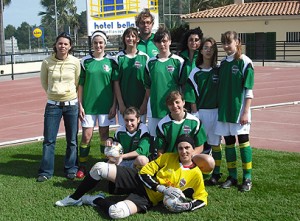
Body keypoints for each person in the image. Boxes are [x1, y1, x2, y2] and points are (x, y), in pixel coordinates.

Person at [55, 134, 208, 219]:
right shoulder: (168, 157)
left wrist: (187, 206)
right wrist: (161, 188)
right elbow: (144, 173)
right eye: (180, 148)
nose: (183, 151)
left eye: (187, 148)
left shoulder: (196, 174)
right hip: (137, 179)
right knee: (99, 167)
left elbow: (202, 199)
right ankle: (74, 198)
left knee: (116, 212)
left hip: (148, 198)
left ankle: (96, 199)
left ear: (193, 149)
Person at [37, 32, 81, 182]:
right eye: (60, 43)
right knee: (49, 140)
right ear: (55, 45)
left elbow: (77, 82)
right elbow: (44, 82)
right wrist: (54, 93)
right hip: (52, 106)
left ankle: (71, 168)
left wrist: (68, 94)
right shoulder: (47, 62)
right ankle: (46, 171)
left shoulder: (75, 62)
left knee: (72, 140)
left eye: (65, 44)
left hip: (71, 105)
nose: (62, 46)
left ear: (70, 46)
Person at [216, 31, 254, 192]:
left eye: (228, 42)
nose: (226, 46)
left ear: (237, 42)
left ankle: (247, 178)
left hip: (239, 111)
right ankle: (232, 176)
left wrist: (245, 112)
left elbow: (249, 90)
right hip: (224, 111)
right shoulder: (223, 64)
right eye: (223, 43)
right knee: (229, 144)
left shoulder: (245, 62)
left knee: (243, 142)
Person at [76, 30, 117, 179]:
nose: (98, 45)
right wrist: (79, 104)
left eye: (101, 42)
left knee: (104, 135)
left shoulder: (112, 61)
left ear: (105, 44)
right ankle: (82, 166)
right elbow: (80, 85)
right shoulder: (85, 61)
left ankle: (102, 165)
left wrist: (114, 105)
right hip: (88, 106)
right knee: (86, 136)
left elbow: (114, 85)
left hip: (106, 106)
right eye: (95, 43)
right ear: (92, 44)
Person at [184, 37, 223, 184]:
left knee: (216, 144)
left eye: (211, 48)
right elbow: (190, 92)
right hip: (201, 112)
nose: (208, 50)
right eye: (206, 47)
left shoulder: (219, 70)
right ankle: (195, 170)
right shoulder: (196, 71)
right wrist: (195, 112)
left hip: (216, 112)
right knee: (198, 144)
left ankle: (216, 172)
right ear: (201, 50)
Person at [156, 90, 215, 177]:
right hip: (172, 159)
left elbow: (200, 146)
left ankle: (196, 174)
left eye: (177, 102)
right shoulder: (162, 124)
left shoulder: (195, 122)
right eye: (171, 104)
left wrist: (188, 157)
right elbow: (160, 151)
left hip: (190, 157)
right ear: (167, 106)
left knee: (208, 161)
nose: (175, 106)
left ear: (183, 102)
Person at [145, 25, 184, 136]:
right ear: (155, 43)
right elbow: (148, 86)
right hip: (155, 108)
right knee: (155, 138)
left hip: (174, 108)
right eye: (159, 42)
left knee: (173, 138)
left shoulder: (179, 61)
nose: (162, 44)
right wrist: (152, 102)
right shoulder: (150, 63)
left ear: (170, 41)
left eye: (164, 41)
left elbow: (182, 85)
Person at [113, 27, 149, 125]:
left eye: (133, 36)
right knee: (125, 131)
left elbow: (148, 84)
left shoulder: (145, 57)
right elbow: (116, 82)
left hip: (140, 103)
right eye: (128, 36)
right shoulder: (118, 57)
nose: (130, 38)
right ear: (124, 38)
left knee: (141, 131)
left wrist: (144, 104)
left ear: (137, 39)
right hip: (125, 103)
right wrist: (120, 104)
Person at [179, 27, 203, 109]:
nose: (193, 42)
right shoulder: (180, 57)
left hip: (200, 98)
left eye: (196, 40)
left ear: (200, 42)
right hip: (185, 99)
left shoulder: (203, 57)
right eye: (191, 40)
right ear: (187, 42)